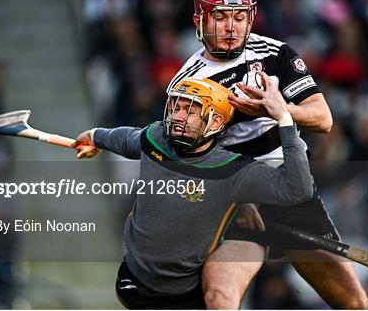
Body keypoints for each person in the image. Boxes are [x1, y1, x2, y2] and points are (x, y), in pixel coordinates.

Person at [167, 0, 368, 309]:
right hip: (233, 203)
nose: (231, 27)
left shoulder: (277, 55)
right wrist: (234, 200)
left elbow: (323, 118)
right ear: (199, 21)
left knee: (355, 304)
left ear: (251, 18)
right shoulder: (186, 84)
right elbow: (186, 161)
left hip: (290, 191)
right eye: (219, 17)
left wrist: (276, 110)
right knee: (219, 299)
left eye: (239, 17)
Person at [73, 77, 315, 309]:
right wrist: (95, 136)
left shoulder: (235, 170)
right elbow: (127, 139)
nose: (178, 117)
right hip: (132, 283)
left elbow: (299, 189)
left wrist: (284, 119)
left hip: (186, 296)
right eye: (176, 107)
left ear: (218, 122)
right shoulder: (155, 137)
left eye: (191, 112)